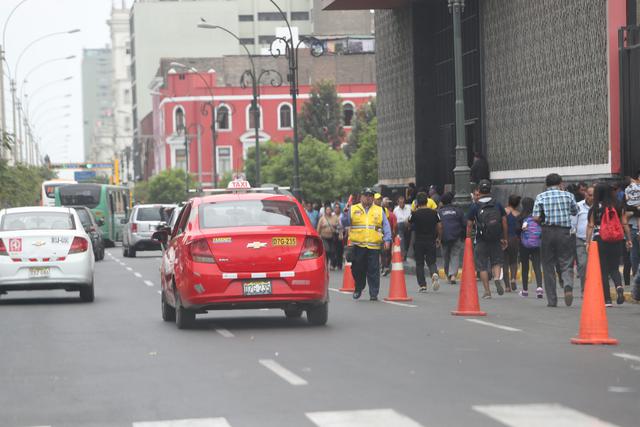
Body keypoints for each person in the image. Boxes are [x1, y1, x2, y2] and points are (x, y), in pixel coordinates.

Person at [533, 173, 578, 307]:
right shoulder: (569, 195)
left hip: (547, 232)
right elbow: (575, 211)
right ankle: (568, 286)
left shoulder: (541, 196)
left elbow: (535, 218)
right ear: (560, 183)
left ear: (546, 184)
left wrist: (543, 219)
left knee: (548, 266)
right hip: (564, 232)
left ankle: (552, 300)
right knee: (566, 262)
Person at [341, 188, 392, 301]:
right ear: (361, 197)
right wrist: (345, 213)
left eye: (370, 196)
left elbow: (386, 226)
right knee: (357, 269)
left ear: (373, 198)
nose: (368, 197)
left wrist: (387, 240)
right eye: (366, 195)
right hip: (358, 246)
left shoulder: (379, 210)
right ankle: (359, 288)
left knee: (373, 270)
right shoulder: (353, 208)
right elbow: (345, 223)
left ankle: (373, 293)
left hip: (373, 246)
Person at [585, 183, 632, 306]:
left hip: (599, 239)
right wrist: (628, 239)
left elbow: (590, 226)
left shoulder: (595, 207)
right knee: (614, 268)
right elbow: (625, 223)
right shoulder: (618, 206)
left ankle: (607, 300)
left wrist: (587, 242)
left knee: (603, 270)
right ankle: (619, 286)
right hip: (616, 239)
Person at [466, 179, 508, 298]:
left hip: (481, 239)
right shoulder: (497, 204)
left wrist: (468, 238)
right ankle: (496, 278)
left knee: (482, 266)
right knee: (496, 262)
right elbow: (504, 222)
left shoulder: (475, 206)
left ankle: (487, 291)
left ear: (479, 190)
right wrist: (504, 237)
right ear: (490, 190)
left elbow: (469, 225)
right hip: (495, 238)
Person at [409, 192, 442, 292]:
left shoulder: (414, 214)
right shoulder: (434, 213)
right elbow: (440, 226)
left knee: (419, 263)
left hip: (419, 241)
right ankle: (434, 273)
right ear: (427, 201)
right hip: (431, 240)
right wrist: (439, 238)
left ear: (417, 202)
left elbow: (408, 224)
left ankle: (422, 285)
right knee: (432, 261)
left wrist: (414, 211)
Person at [438, 191, 465, 284]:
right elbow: (464, 224)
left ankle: (448, 274)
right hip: (456, 235)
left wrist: (438, 238)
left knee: (445, 256)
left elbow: (437, 225)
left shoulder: (440, 212)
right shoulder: (458, 210)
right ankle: (453, 275)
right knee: (455, 255)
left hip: (444, 237)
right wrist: (464, 236)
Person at [518, 197, 543, 297]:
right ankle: (539, 287)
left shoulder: (521, 217)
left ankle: (525, 290)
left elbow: (517, 230)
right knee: (537, 265)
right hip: (536, 243)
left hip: (524, 244)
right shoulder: (537, 217)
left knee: (525, 267)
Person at [571, 185, 594, 294]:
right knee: (583, 264)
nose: (592, 197)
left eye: (594, 195)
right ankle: (584, 290)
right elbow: (573, 224)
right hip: (581, 240)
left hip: (596, 241)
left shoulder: (599, 206)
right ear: (585, 194)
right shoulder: (578, 206)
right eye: (590, 195)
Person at [503, 195, 522, 292]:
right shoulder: (518, 214)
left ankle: (507, 286)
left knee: (505, 262)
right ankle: (513, 278)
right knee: (514, 261)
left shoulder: (504, 211)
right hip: (515, 239)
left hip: (505, 238)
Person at [393, 195, 412, 260]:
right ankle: (402, 254)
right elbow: (394, 219)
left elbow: (412, 216)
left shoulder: (409, 207)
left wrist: (409, 222)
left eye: (403, 202)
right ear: (398, 203)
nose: (402, 204)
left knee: (407, 241)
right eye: (400, 202)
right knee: (402, 240)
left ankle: (405, 253)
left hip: (408, 225)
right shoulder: (395, 210)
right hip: (400, 225)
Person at [332, 203, 344, 270]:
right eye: (336, 207)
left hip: (340, 233)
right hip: (333, 233)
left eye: (338, 207)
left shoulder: (342, 215)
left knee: (340, 250)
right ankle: (333, 264)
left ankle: (339, 264)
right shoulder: (332, 215)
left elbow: (344, 225)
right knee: (334, 250)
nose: (337, 209)